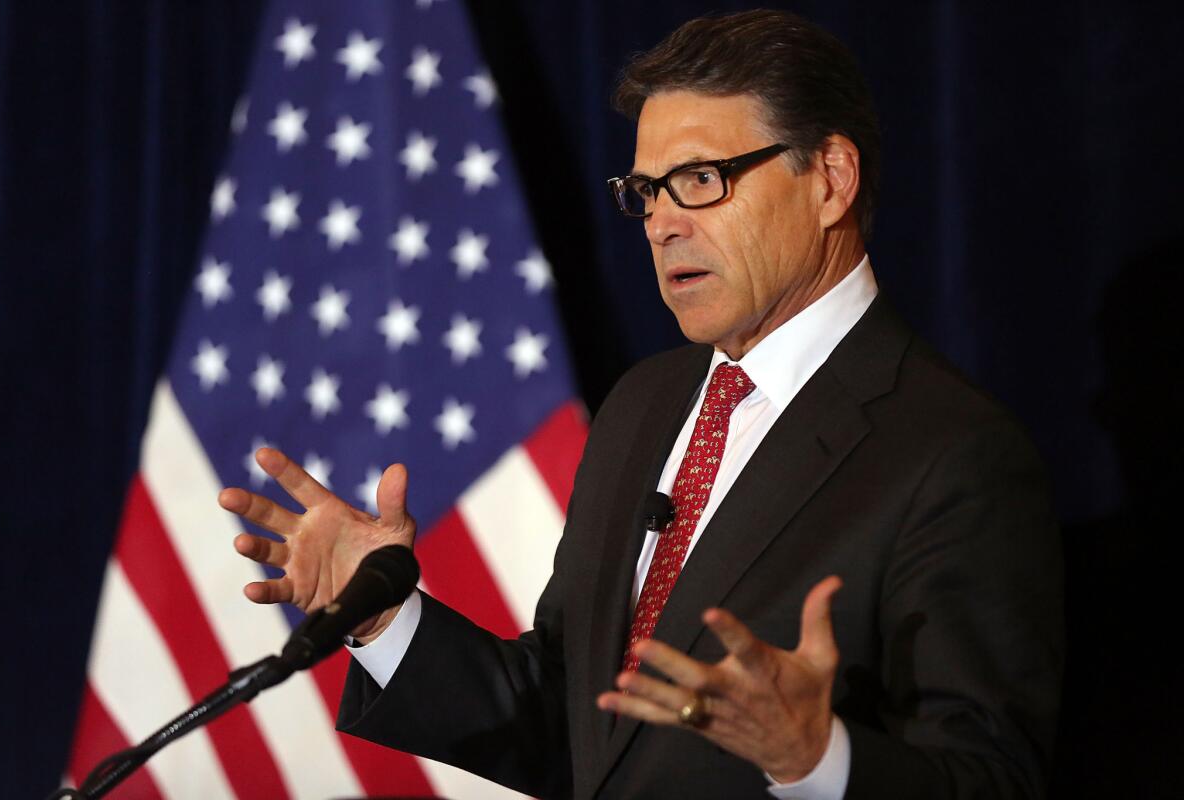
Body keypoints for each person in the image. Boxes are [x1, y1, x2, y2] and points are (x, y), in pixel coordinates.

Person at [218, 10, 1062, 799]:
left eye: (700, 179)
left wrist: (818, 760)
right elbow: (580, 727)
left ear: (830, 180)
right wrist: (384, 619)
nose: (660, 223)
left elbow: (994, 778)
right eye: (647, 190)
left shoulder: (951, 452)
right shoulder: (646, 404)